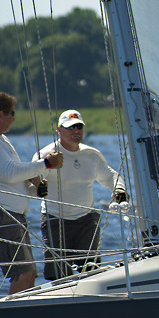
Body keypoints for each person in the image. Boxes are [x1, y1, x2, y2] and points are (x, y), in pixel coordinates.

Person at [33, 110, 125, 280]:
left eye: (79, 127)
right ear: (59, 130)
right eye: (70, 127)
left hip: (86, 220)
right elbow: (32, 177)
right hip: (55, 220)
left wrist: (119, 190)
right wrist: (39, 184)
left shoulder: (92, 155)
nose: (76, 131)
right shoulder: (46, 154)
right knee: (59, 276)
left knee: (91, 272)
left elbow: (111, 176)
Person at [0, 92, 63, 294]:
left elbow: (10, 178)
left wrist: (35, 190)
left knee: (30, 274)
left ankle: (21, 317)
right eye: (11, 113)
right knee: (23, 274)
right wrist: (46, 163)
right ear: (0, 114)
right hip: (3, 216)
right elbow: (10, 173)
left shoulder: (1, 140)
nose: (14, 118)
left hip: (13, 215)